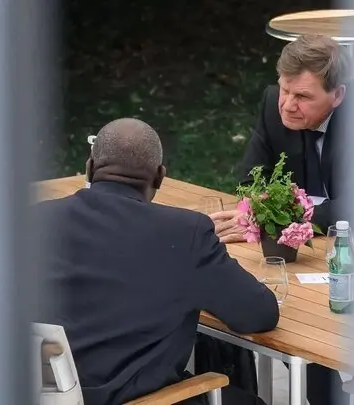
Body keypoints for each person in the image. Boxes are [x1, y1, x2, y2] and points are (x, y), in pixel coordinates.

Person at [35, 118, 280, 405]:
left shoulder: (36, 220)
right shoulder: (186, 233)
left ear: (89, 168)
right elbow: (258, 314)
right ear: (160, 177)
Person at [206, 34, 354, 405]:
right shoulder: (273, 103)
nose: (287, 104)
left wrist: (284, 216)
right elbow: (249, 182)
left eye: (302, 96)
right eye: (285, 89)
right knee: (269, 308)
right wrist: (257, 214)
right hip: (296, 255)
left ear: (338, 95)